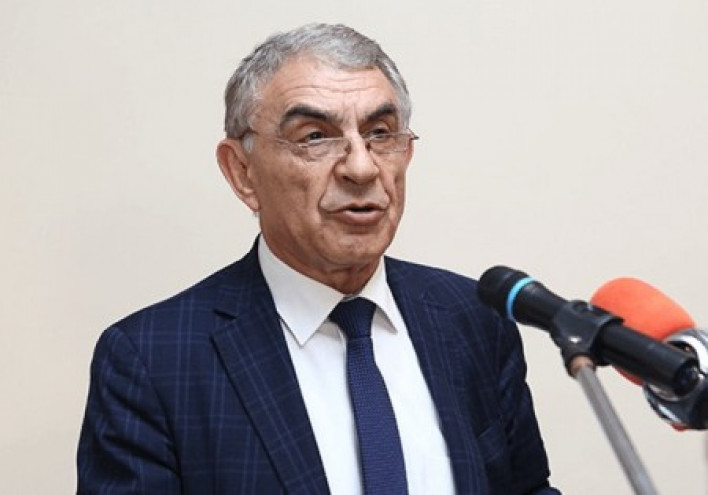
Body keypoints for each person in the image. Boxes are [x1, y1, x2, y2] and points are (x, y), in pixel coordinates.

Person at [77, 23, 560, 495]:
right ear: (242, 172)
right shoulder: (153, 360)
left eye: (380, 132)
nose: (361, 167)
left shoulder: (473, 318)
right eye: (314, 137)